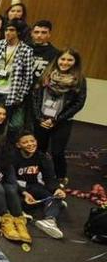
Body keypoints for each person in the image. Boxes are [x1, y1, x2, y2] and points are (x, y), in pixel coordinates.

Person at [29, 49, 86, 187]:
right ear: (57, 60)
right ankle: (38, 173)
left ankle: (60, 177)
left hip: (62, 121)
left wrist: (56, 119)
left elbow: (79, 103)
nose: (65, 62)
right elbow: (35, 97)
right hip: (42, 119)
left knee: (57, 151)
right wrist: (39, 117)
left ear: (75, 62)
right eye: (63, 59)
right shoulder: (46, 75)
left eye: (69, 60)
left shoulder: (79, 80)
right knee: (39, 149)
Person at [14, 132, 67, 239]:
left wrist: (57, 189)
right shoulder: (12, 157)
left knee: (56, 197)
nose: (30, 144)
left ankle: (49, 221)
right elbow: (9, 179)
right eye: (25, 142)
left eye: (32, 141)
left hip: (33, 185)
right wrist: (23, 193)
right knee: (14, 201)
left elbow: (49, 177)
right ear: (18, 145)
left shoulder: (42, 157)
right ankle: (20, 212)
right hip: (17, 188)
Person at [0, 19, 35, 127]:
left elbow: (28, 77)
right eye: (6, 30)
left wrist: (19, 96)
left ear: (18, 32)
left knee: (4, 123)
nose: (7, 32)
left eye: (11, 30)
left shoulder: (26, 50)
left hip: (10, 93)